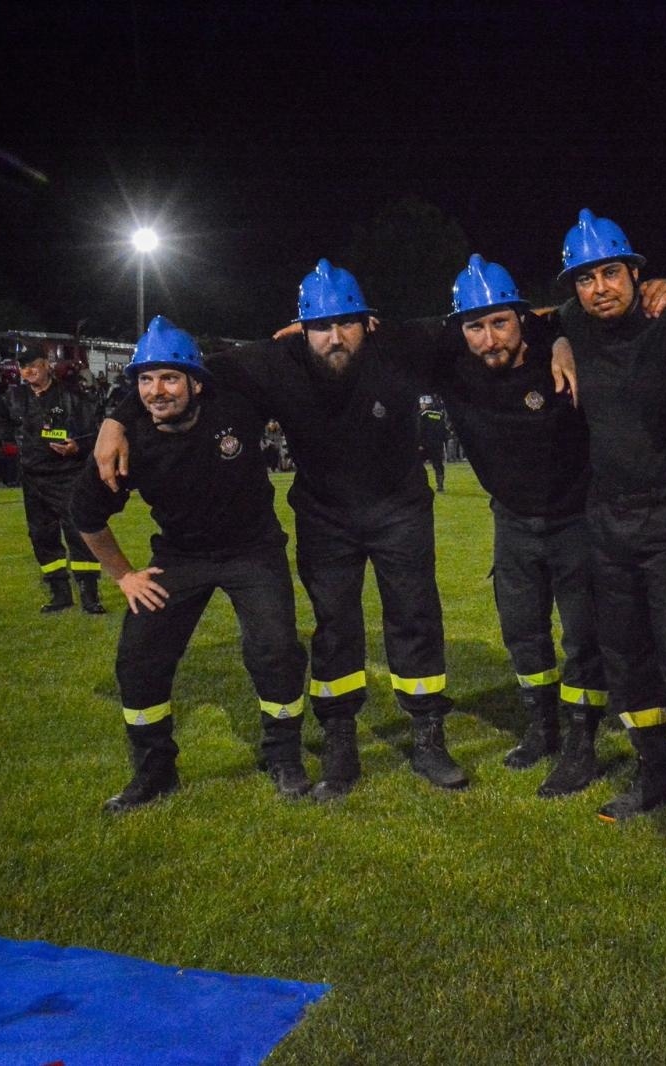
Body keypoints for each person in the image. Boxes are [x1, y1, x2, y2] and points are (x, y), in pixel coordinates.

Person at [98, 260, 468, 798]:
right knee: (335, 626)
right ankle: (340, 740)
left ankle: (429, 738)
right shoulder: (274, 361)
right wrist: (117, 416)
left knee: (416, 617)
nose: (335, 337)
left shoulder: (403, 343)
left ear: (368, 322)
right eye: (321, 325)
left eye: (346, 323)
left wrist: (562, 343)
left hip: (401, 511)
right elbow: (176, 373)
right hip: (325, 516)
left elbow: (497, 323)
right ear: (301, 328)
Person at [73, 317, 311, 812]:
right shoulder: (129, 439)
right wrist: (124, 576)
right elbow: (85, 516)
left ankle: (283, 757)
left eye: (169, 378)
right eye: (145, 379)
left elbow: (277, 350)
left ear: (197, 383)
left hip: (253, 550)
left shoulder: (235, 399)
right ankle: (155, 771)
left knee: (277, 651)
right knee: (138, 657)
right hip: (179, 557)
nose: (156, 391)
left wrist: (318, 323)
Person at [556, 208, 666, 869]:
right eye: (585, 279)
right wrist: (557, 342)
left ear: (634, 272)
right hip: (608, 517)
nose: (599, 288)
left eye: (610, 273)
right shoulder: (572, 324)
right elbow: (534, 319)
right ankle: (654, 773)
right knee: (625, 657)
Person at [433, 254, 607, 797]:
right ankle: (542, 726)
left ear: (522, 318)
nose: (489, 339)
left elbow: (578, 312)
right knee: (522, 632)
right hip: (511, 522)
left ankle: (582, 741)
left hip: (575, 520)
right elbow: (390, 339)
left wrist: (562, 338)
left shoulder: (559, 358)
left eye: (500, 322)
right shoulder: (452, 366)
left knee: (583, 635)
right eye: (475, 326)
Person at [0, 351, 106, 613]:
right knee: (41, 534)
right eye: (24, 367)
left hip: (68, 474)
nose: (29, 371)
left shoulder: (71, 396)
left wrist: (77, 447)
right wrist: (12, 441)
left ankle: (90, 595)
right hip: (33, 477)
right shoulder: (14, 397)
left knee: (78, 532)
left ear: (46, 365)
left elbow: (94, 433)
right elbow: (0, 421)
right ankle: (59, 593)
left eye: (33, 366)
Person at [418, 396, 448, 492]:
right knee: (438, 465)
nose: (421, 406)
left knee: (418, 465)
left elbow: (420, 429)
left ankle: (421, 485)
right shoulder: (439, 414)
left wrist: (420, 443)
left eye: (421, 404)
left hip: (425, 444)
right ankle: (440, 486)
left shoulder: (422, 414)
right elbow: (443, 429)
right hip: (437, 444)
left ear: (424, 403)